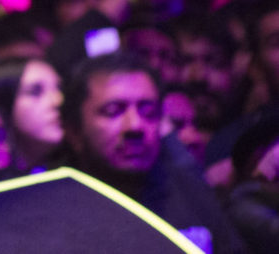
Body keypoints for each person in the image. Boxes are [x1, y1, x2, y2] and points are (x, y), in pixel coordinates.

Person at [61, 52, 243, 254]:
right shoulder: (54, 208)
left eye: (147, 111)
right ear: (74, 131)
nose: (135, 125)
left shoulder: (189, 191)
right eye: (114, 111)